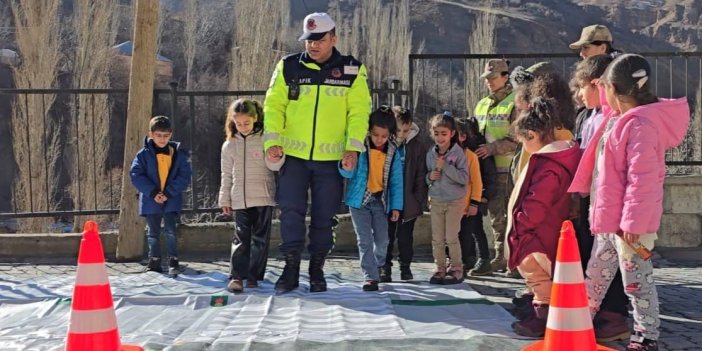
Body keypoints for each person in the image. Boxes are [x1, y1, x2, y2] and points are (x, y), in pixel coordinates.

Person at [570, 54, 690, 351]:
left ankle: (646, 334)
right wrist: (605, 82)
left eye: (604, 87)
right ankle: (577, 323)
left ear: (614, 89)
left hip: (629, 228)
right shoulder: (619, 118)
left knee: (636, 283)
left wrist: (633, 224)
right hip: (609, 223)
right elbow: (612, 105)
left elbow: (644, 179)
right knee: (595, 275)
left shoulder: (641, 125)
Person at [263, 12, 371, 293]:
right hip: (294, 159)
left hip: (330, 161)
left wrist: (353, 149)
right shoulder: (288, 66)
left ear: (333, 38)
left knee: (325, 218)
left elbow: (359, 114)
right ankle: (290, 269)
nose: (312, 45)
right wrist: (271, 142)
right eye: (308, 40)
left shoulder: (352, 70)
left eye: (319, 40)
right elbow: (273, 106)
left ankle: (316, 270)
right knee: (290, 213)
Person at [506, 99, 581, 337]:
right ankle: (541, 313)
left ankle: (544, 317)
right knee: (540, 277)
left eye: (522, 142)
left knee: (538, 277)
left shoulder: (549, 165)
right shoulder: (557, 159)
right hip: (541, 229)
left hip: (536, 233)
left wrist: (521, 224)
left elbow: (537, 202)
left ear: (531, 135)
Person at [571, 54, 633, 342]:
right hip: (590, 197)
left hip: (609, 198)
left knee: (615, 260)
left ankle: (615, 315)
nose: (579, 94)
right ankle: (593, 313)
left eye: (582, 87)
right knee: (592, 254)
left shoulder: (615, 118)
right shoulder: (588, 115)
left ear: (597, 84)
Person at [340, 107, 403, 291]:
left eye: (384, 136)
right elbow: (346, 171)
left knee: (383, 240)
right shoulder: (359, 146)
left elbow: (397, 182)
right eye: (376, 134)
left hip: (379, 201)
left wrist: (396, 207)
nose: (379, 139)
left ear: (390, 135)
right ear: (369, 131)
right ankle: (370, 276)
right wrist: (345, 166)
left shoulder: (393, 152)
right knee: (364, 239)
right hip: (359, 200)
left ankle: (377, 264)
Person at [218, 99, 276, 293]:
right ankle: (236, 276)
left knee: (260, 238)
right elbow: (226, 174)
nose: (243, 127)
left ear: (256, 118)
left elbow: (276, 166)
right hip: (239, 199)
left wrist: (278, 155)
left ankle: (254, 276)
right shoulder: (229, 145)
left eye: (247, 123)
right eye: (239, 123)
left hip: (263, 196)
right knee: (240, 237)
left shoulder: (267, 138)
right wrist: (224, 198)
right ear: (233, 122)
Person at [130, 116, 192, 275]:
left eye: (165, 136)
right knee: (152, 232)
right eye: (158, 135)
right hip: (152, 200)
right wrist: (152, 192)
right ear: (150, 134)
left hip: (171, 199)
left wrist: (169, 192)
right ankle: (154, 260)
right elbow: (136, 174)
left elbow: (184, 176)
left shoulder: (178, 154)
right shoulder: (143, 155)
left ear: (171, 134)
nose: (162, 139)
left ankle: (173, 259)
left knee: (171, 230)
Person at [473, 59, 518, 274]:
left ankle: (514, 259)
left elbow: (518, 137)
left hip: (511, 169)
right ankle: (500, 257)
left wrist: (493, 148)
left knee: (513, 216)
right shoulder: (482, 104)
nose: (489, 82)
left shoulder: (516, 102)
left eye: (493, 77)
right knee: (496, 216)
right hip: (489, 171)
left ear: (505, 76)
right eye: (487, 78)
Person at [381, 106, 428, 282]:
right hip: (388, 199)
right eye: (398, 130)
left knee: (405, 237)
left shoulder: (417, 145)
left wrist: (418, 199)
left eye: (406, 130)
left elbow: (421, 173)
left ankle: (405, 267)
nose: (401, 134)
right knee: (386, 236)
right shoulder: (383, 141)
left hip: (408, 200)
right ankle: (385, 267)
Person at [426, 112, 468, 285]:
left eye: (444, 134)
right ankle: (440, 268)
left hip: (454, 201)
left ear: (451, 134)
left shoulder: (458, 154)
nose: (440, 138)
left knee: (451, 236)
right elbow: (427, 176)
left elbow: (464, 178)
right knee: (437, 238)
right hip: (436, 200)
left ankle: (457, 268)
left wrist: (446, 168)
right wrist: (430, 176)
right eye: (436, 134)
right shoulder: (430, 153)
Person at [455, 117, 494, 276]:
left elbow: (487, 175)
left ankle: (483, 259)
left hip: (475, 198)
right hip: (463, 199)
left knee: (475, 228)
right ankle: (469, 258)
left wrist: (484, 196)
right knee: (465, 230)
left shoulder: (477, 151)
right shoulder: (456, 151)